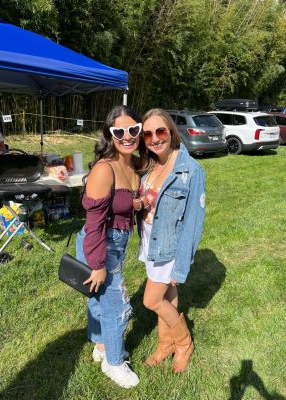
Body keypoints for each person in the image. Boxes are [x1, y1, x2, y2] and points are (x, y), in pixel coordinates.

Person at [75, 105, 143, 389]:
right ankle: (114, 363)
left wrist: (137, 203)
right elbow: (93, 225)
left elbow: (124, 203)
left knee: (100, 300)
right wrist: (98, 264)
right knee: (117, 306)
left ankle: (101, 346)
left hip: (117, 244)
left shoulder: (134, 162)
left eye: (133, 130)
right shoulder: (105, 170)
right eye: (119, 131)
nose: (127, 136)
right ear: (109, 134)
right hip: (99, 245)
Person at [137, 108, 206, 373]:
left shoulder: (191, 170)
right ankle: (165, 345)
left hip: (169, 248)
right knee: (169, 297)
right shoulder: (150, 165)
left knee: (151, 301)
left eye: (160, 131)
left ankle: (184, 342)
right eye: (148, 134)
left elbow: (193, 222)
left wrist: (181, 266)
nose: (155, 138)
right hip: (151, 243)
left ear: (171, 132)